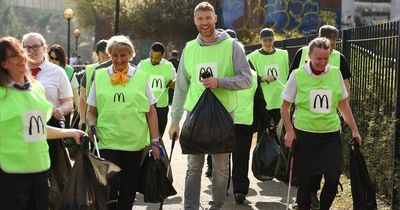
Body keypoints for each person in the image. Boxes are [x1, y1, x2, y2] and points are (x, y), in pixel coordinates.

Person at [168, 2, 252, 209]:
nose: (204, 23)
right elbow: (180, 88)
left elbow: (247, 79)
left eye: (208, 18)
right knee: (193, 166)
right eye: (200, 19)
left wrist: (220, 82)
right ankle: (190, 207)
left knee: (221, 167)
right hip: (194, 114)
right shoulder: (189, 48)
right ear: (195, 21)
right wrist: (175, 121)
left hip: (223, 115)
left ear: (215, 18)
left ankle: (216, 205)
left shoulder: (232, 46)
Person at [0, 36, 85, 210]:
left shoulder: (37, 88)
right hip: (10, 172)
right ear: (3, 63)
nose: (22, 57)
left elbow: (38, 129)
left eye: (21, 53)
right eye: (14, 56)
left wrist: (70, 132)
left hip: (40, 169)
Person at [281, 37, 362, 210]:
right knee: (306, 181)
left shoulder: (335, 73)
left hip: (330, 134)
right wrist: (289, 131)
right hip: (305, 135)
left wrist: (355, 130)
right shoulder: (298, 75)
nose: (323, 62)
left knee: (333, 177)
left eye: (326, 59)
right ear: (309, 55)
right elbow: (285, 107)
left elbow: (342, 104)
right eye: (319, 59)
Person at [86, 35, 161, 210]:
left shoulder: (142, 77)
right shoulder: (99, 76)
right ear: (109, 55)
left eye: (123, 55)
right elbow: (91, 112)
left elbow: (151, 112)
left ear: (131, 55)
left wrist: (155, 142)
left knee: (129, 188)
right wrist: (91, 126)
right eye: (115, 55)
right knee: (110, 186)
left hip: (134, 143)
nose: (119, 59)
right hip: (107, 141)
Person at [247, 28, 289, 136]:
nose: (267, 43)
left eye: (270, 40)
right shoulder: (252, 57)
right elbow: (249, 78)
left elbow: (288, 74)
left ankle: (281, 153)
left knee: (281, 134)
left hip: (280, 100)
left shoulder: (283, 54)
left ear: (274, 39)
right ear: (260, 40)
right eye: (265, 40)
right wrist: (262, 78)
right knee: (263, 134)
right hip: (263, 102)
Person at [138, 42, 176, 137]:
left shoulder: (169, 66)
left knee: (158, 137)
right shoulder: (142, 65)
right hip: (145, 107)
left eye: (156, 58)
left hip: (162, 108)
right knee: (145, 138)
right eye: (151, 56)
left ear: (163, 55)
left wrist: (173, 84)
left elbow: (177, 85)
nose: (153, 60)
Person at [78, 39, 110, 130]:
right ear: (97, 54)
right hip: (92, 115)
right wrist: (82, 119)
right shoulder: (89, 70)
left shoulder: (117, 70)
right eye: (103, 52)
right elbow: (83, 96)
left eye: (108, 52)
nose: (107, 55)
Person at [48, 44, 80, 126]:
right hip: (48, 111)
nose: (53, 61)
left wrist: (80, 111)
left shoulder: (69, 70)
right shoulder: (45, 70)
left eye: (56, 59)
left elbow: (75, 92)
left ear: (61, 58)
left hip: (65, 111)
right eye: (51, 58)